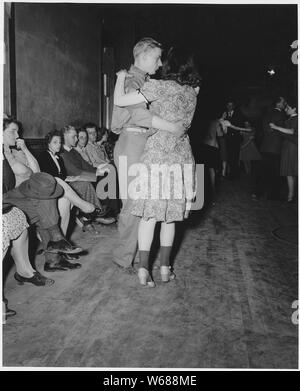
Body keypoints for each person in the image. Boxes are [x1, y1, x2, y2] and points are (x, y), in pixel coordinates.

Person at [114, 47, 201, 287]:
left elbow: (121, 100)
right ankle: (164, 268)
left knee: (149, 216)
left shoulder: (159, 87)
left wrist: (121, 77)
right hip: (181, 156)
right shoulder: (193, 92)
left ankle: (143, 270)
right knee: (170, 219)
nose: (161, 63)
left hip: (156, 156)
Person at [60, 125, 116, 225]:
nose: (76, 139)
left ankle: (111, 210)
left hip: (82, 176)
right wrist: (96, 174)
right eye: (74, 137)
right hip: (75, 179)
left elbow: (86, 166)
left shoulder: (73, 151)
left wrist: (97, 171)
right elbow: (75, 172)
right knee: (104, 177)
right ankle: (99, 212)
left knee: (108, 174)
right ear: (65, 136)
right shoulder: (63, 153)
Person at [258, 96, 287, 200]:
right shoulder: (281, 115)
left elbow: (266, 130)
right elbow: (283, 132)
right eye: (283, 102)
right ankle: (273, 195)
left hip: (265, 147)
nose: (285, 104)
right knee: (275, 173)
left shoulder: (266, 114)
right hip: (276, 148)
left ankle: (258, 193)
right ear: (278, 103)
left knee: (264, 171)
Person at [270, 102, 298, 202]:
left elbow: (292, 131)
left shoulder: (296, 119)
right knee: (291, 172)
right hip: (287, 146)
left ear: (295, 109)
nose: (286, 109)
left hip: (292, 147)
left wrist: (276, 127)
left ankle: (291, 196)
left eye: (289, 107)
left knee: (290, 172)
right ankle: (292, 194)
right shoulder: (290, 119)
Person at [222, 101, 250, 179]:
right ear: (226, 106)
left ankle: (235, 174)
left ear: (234, 106)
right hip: (227, 139)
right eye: (228, 105)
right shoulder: (224, 115)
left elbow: (240, 125)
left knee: (235, 157)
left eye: (231, 105)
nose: (230, 107)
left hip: (236, 139)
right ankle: (231, 173)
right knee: (229, 157)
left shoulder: (238, 115)